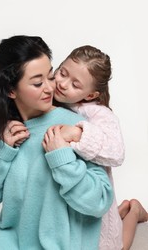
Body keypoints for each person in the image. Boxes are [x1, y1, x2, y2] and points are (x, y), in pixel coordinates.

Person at [0, 35, 113, 250]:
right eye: (38, 83)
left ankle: (130, 212)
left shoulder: (74, 128)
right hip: (7, 240)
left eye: (50, 76)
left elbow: (100, 202)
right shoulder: (8, 131)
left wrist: (63, 160)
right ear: (11, 91)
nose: (51, 88)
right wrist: (2, 153)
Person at [51, 45, 148, 250]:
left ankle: (134, 211)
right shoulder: (45, 91)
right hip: (62, 196)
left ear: (90, 95)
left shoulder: (97, 114)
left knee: (115, 245)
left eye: (75, 84)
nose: (62, 83)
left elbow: (117, 153)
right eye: (62, 72)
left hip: (91, 194)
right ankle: (121, 209)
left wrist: (78, 134)